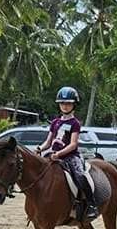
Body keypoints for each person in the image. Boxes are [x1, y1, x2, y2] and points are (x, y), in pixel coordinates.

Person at [40, 86, 96, 220]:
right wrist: (39, 149)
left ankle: (91, 204)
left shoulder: (75, 123)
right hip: (53, 155)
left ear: (73, 105)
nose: (65, 106)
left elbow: (73, 144)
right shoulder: (55, 122)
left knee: (80, 176)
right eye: (62, 103)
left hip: (70, 157)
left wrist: (59, 154)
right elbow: (48, 142)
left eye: (68, 103)